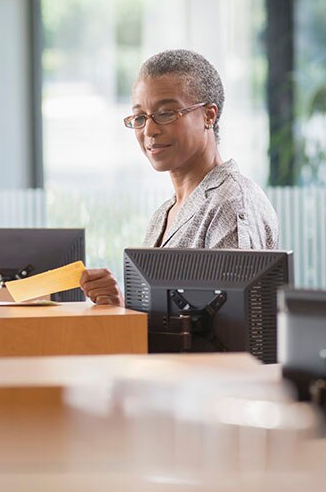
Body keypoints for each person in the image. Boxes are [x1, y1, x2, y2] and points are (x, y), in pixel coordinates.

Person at [80, 49, 279, 306]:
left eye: (166, 113)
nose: (149, 130)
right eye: (140, 118)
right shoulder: (165, 213)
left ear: (209, 115)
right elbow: (167, 318)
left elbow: (234, 326)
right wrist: (121, 305)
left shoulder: (231, 202)